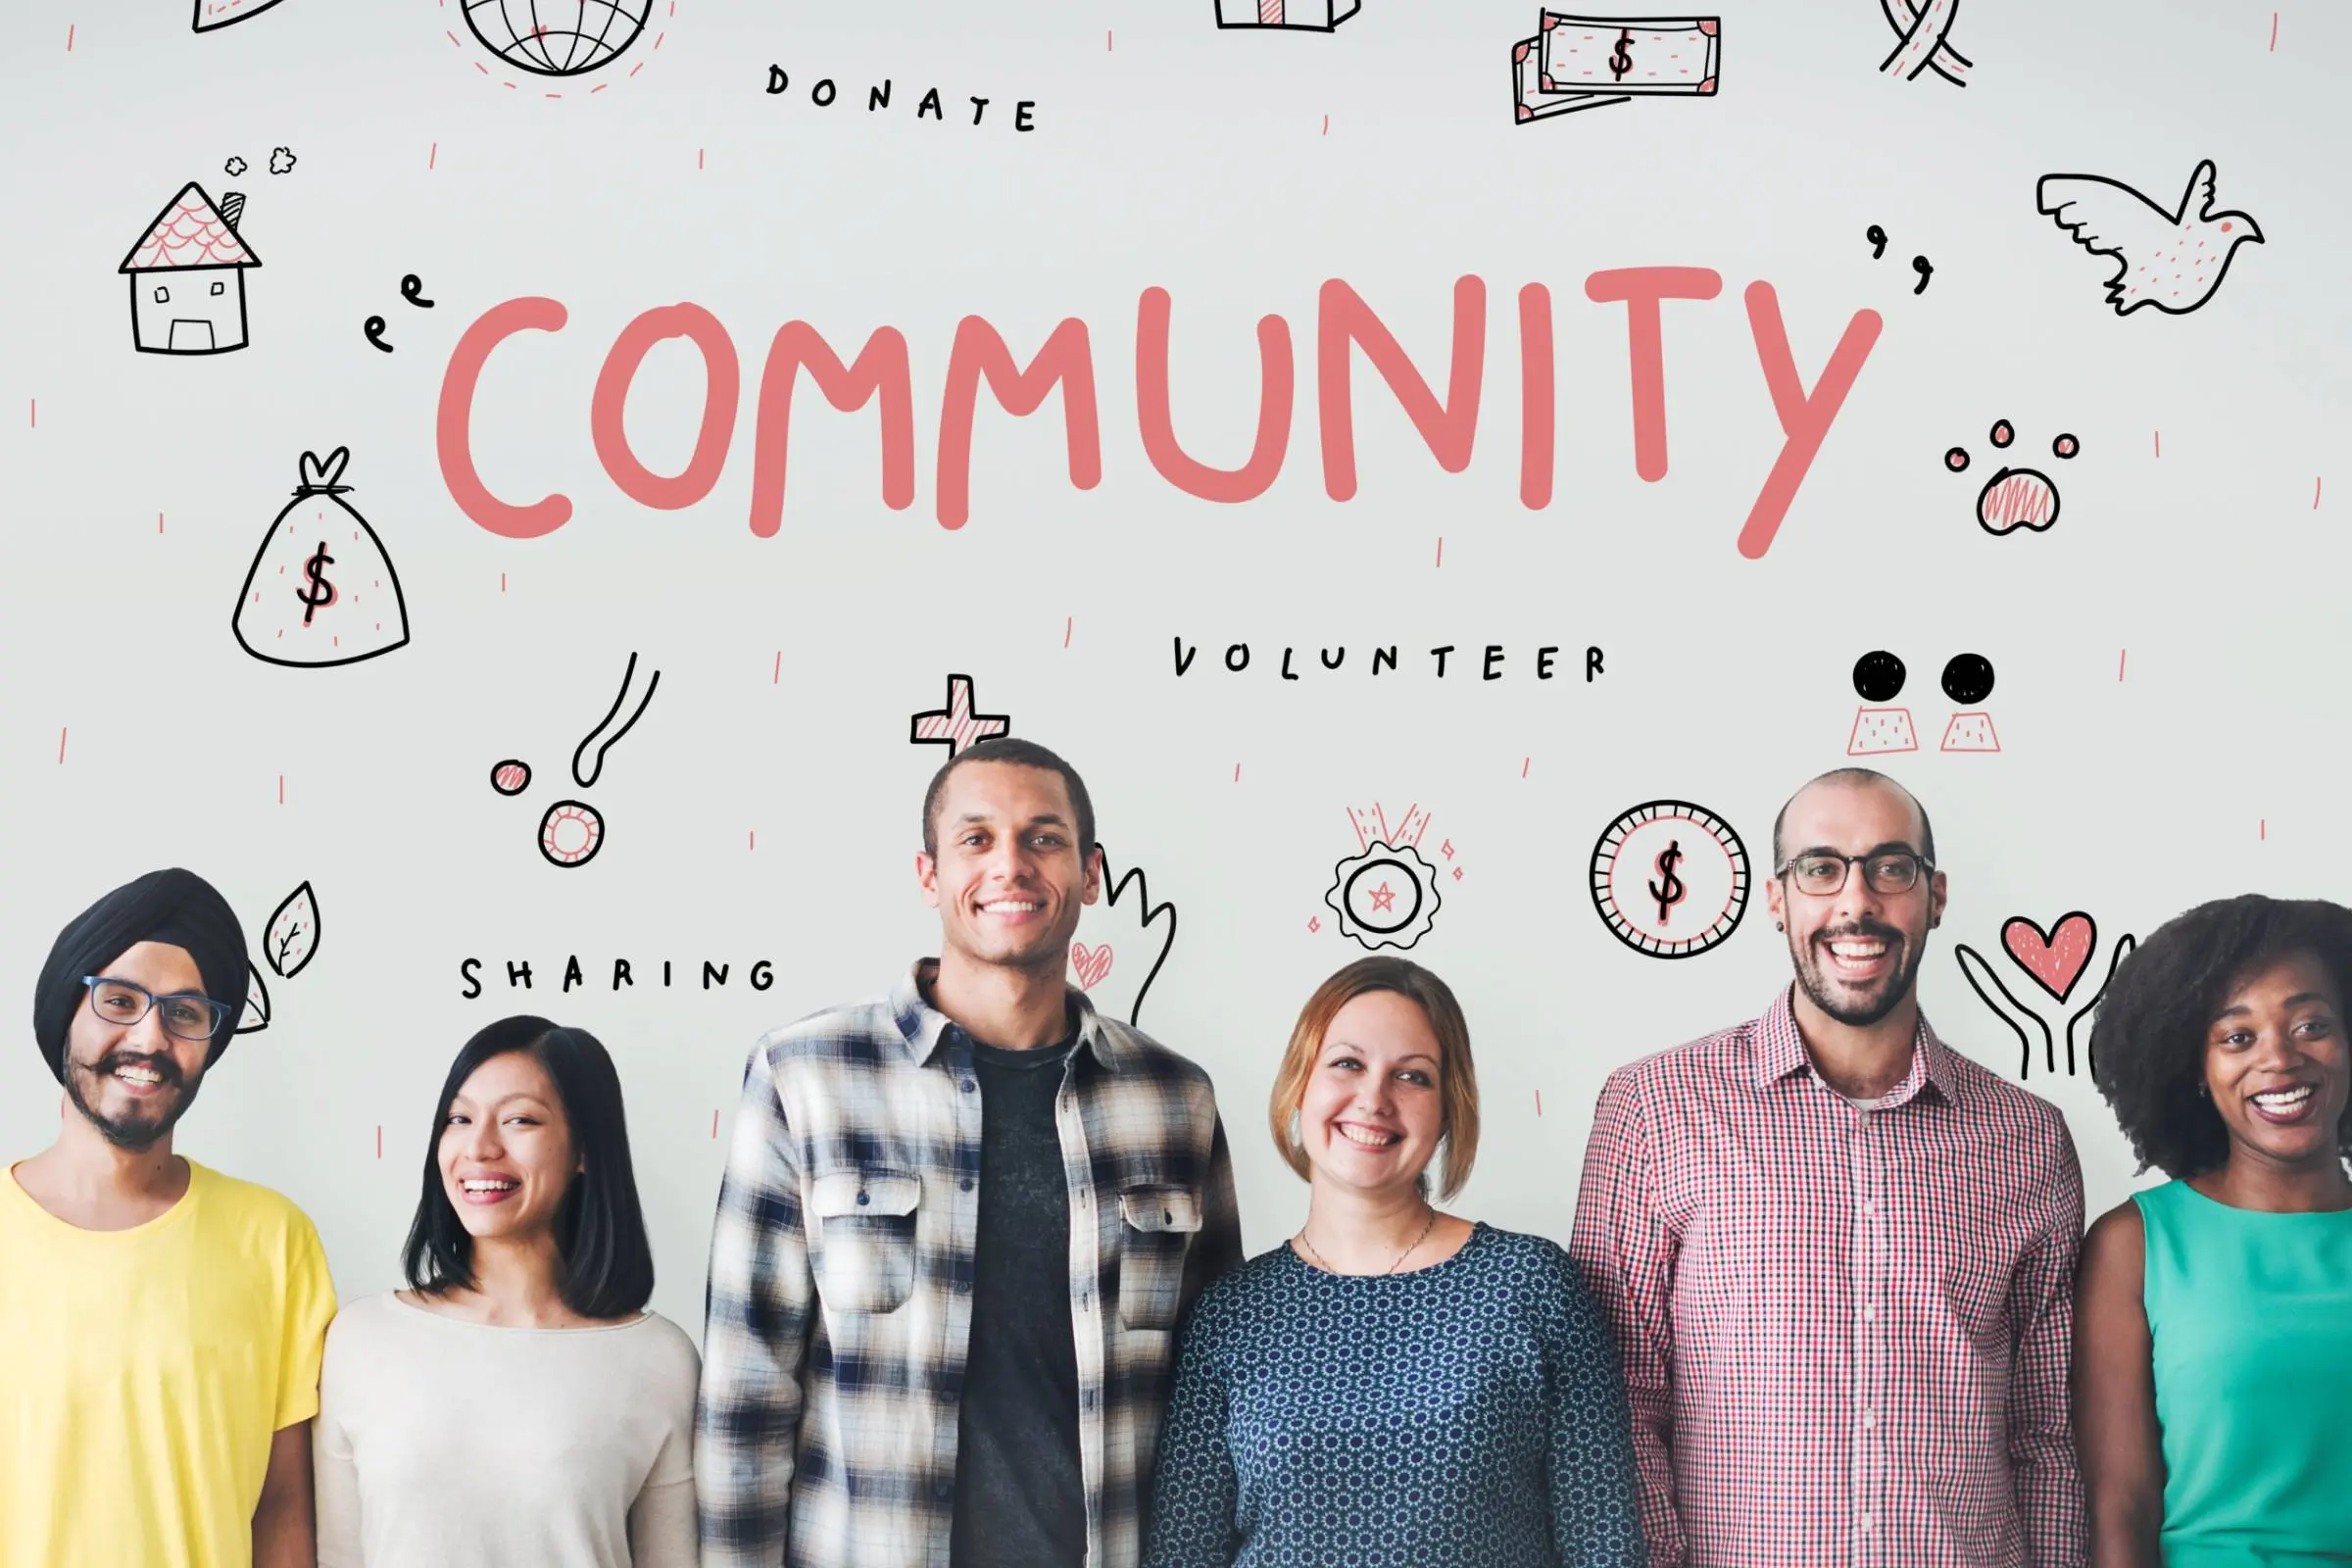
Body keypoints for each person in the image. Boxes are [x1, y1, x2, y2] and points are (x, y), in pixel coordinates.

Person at [698, 736, 1246, 1568]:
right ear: (930, 875)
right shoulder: (804, 1077)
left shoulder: (1174, 1100)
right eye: (977, 839)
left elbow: (1213, 1397)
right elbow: (747, 1392)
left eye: (1044, 838)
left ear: (1091, 873)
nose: (1012, 866)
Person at [1569, 766, 2086, 1568]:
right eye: (1821, 869)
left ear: (1935, 895)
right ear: (1777, 899)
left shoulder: (2028, 1138)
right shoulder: (1655, 1108)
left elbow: (2047, 1431)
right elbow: (1618, 1406)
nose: (1857, 902)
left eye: (1891, 867)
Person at [1143, 956, 1647, 1568]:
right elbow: (1182, 1553)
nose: (1374, 1098)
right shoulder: (1230, 1315)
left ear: (1446, 1115)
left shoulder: (1534, 1287)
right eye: (1347, 1064)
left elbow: (1606, 1545)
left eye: (1412, 1077)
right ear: (1300, 1085)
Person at [0, 867, 337, 1568]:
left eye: (183, 1013)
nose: (150, 1040)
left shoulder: (275, 1240)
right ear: (67, 1012)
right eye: (119, 1000)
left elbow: (282, 1510)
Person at [313, 1014, 700, 1566]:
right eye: (459, 1118)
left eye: (520, 1120)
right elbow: (338, 1555)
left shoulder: (660, 1359)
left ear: (585, 1149)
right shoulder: (360, 1340)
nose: (480, 1147)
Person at [2075, 895, 2352, 1568]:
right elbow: (2122, 1507)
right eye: (2237, 1037)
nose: (2280, 1060)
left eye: (2310, 1024)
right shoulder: (2135, 1245)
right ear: (2196, 1070)